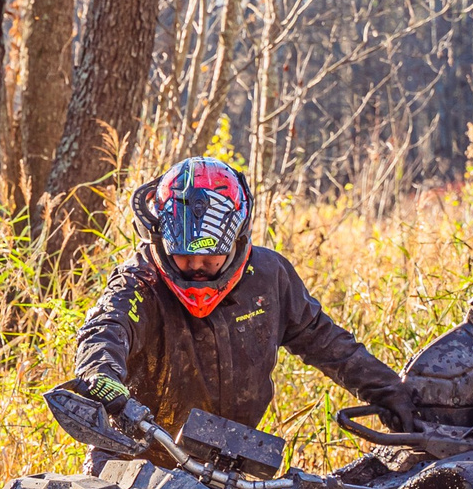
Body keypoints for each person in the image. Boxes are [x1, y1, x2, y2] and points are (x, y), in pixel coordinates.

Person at [72, 156, 419, 454]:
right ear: (160, 240)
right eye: (184, 256)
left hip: (227, 457)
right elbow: (105, 328)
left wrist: (390, 391)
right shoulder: (139, 282)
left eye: (210, 258)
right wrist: (99, 375)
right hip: (136, 459)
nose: (196, 268)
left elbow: (325, 341)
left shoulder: (269, 276)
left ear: (237, 241)